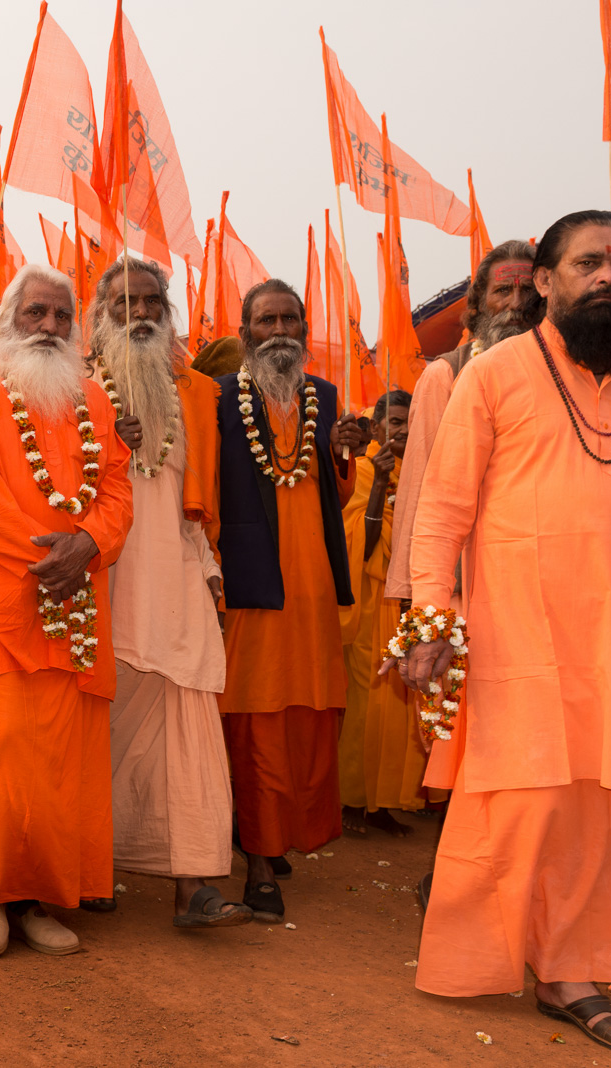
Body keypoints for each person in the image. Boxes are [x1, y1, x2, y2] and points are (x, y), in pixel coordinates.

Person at [398, 210, 611, 1053]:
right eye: (590, 262)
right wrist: (433, 622)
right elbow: (442, 513)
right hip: (518, 643)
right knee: (519, 812)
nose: (610, 276)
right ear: (546, 281)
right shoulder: (492, 376)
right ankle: (503, 955)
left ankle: (571, 973)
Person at [0, 263, 134, 957]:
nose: (49, 327)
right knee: (4, 750)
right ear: (7, 320)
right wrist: (47, 555)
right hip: (2, 602)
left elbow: (116, 491)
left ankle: (39, 897)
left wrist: (89, 543)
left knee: (63, 760)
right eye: (36, 314)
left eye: (60, 316)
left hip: (78, 597)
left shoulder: (95, 401)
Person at [88, 259, 248, 927]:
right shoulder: (73, 389)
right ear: (100, 317)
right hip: (103, 581)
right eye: (126, 303)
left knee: (190, 733)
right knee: (97, 735)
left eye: (154, 302)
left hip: (179, 583)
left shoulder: (203, 395)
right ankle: (88, 866)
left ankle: (195, 889)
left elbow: (217, 498)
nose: (142, 314)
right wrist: (100, 439)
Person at [214, 279, 368, 922]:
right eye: (266, 320)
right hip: (251, 588)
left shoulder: (324, 398)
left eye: (290, 319)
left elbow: (333, 488)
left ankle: (282, 836)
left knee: (308, 715)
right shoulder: (220, 400)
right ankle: (255, 857)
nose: (279, 330)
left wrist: (342, 455)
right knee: (253, 722)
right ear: (245, 332)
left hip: (309, 593)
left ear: (304, 330)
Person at [385, 241, 538, 604]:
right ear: (477, 305)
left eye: (527, 290)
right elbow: (421, 485)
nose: (517, 304)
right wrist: (416, 594)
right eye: (503, 290)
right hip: (469, 581)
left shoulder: (567, 373)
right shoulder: (446, 374)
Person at [338, 389, 419, 837]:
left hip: (411, 604)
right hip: (372, 601)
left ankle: (383, 799)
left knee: (397, 708)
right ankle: (353, 799)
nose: (402, 431)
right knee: (367, 704)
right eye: (394, 422)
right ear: (377, 426)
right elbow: (360, 547)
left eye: (409, 424)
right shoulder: (365, 472)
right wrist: (383, 485)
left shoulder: (427, 473)